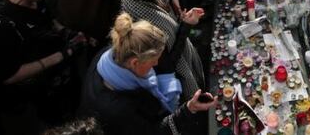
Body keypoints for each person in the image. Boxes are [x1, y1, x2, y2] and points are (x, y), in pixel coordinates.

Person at [0, 0, 89, 135]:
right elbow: (9, 75)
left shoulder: (37, 0)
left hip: (64, 87)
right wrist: (62, 55)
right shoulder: (4, 25)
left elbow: (50, 21)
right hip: (39, 103)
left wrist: (68, 34)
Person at [79, 13, 216, 135]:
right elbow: (153, 131)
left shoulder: (113, 54)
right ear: (134, 63)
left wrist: (185, 26)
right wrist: (187, 110)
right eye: (153, 61)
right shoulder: (118, 110)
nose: (156, 64)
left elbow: (166, 64)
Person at [121, 0, 205, 97]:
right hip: (176, 83)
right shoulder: (149, 27)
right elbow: (168, 65)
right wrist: (186, 26)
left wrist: (182, 21)